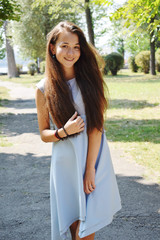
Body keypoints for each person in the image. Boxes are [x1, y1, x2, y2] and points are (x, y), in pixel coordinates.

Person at [35, 21, 121, 240]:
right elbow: (44, 133)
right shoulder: (43, 88)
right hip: (64, 162)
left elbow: (96, 127)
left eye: (76, 47)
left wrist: (89, 169)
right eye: (64, 45)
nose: (70, 52)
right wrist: (63, 131)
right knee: (71, 221)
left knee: (86, 222)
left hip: (92, 158)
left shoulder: (90, 81)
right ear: (53, 49)